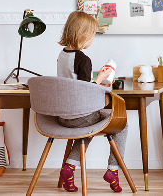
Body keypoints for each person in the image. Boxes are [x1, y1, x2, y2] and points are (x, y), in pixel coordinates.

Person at [57, 11, 127, 193]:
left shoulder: (62, 55)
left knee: (88, 127)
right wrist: (101, 79)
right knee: (122, 124)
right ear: (84, 35)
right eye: (93, 35)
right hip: (80, 116)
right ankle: (113, 170)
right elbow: (84, 91)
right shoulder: (83, 59)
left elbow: (74, 84)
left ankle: (69, 168)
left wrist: (96, 79)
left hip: (63, 116)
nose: (93, 39)